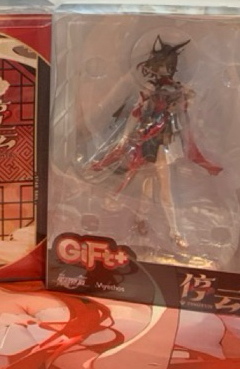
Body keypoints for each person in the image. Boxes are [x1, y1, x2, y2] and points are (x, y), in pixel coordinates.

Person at [91, 36, 222, 247]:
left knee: (156, 184)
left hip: (166, 142)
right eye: (161, 64)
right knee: (154, 184)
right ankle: (168, 229)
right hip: (149, 140)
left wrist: (188, 104)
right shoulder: (150, 89)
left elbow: (184, 117)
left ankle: (157, 225)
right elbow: (135, 113)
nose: (163, 68)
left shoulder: (179, 89)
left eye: (166, 65)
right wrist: (124, 139)